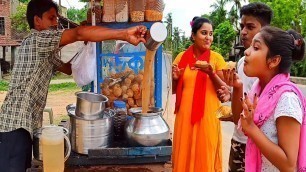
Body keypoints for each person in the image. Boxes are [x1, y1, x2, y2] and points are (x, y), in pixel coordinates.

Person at [0, 0, 146, 171]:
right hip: (14, 128)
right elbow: (77, 33)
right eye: (51, 18)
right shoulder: (36, 40)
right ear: (37, 20)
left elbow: (69, 69)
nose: (56, 23)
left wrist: (87, 44)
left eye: (56, 18)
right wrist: (123, 34)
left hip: (24, 128)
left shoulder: (45, 51)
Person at [224, 26, 305, 171]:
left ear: (274, 61)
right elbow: (240, 121)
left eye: (256, 48)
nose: (247, 52)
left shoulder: (286, 99)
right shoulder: (259, 89)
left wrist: (252, 129)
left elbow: (289, 165)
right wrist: (237, 88)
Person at [217, 2, 273, 171]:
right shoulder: (241, 63)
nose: (243, 31)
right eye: (242, 26)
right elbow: (237, 115)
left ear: (264, 30)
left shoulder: (270, 68)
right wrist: (232, 92)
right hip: (238, 140)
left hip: (258, 145)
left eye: (250, 27)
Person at [172, 17, 228, 172]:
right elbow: (175, 90)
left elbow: (225, 90)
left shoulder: (216, 59)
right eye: (204, 33)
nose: (208, 37)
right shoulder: (181, 58)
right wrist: (175, 79)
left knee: (206, 152)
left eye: (211, 34)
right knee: (184, 151)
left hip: (208, 116)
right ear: (193, 35)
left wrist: (211, 73)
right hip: (185, 116)